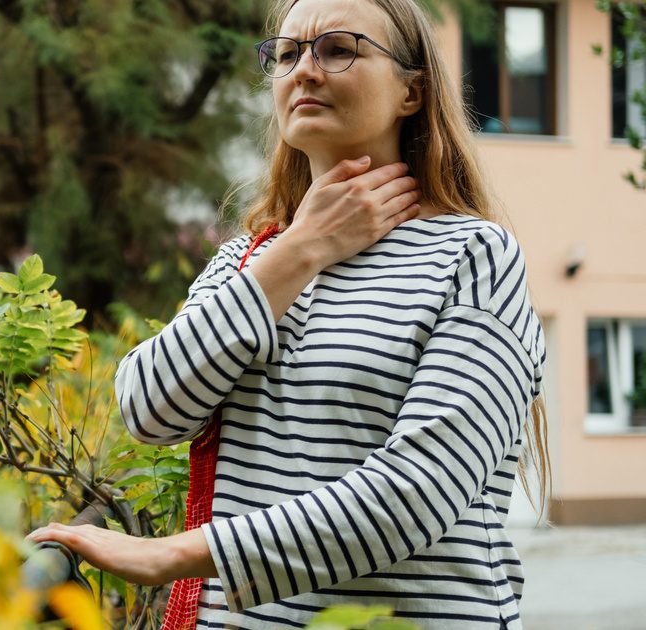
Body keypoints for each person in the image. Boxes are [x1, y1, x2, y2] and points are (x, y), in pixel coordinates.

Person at [27, 0, 550, 627]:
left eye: (338, 48)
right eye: (286, 54)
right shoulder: (247, 263)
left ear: (412, 91)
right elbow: (148, 409)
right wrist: (300, 251)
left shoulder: (473, 257)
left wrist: (174, 555)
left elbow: (418, 492)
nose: (304, 69)